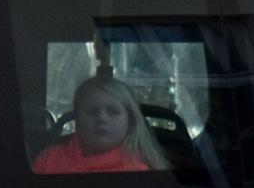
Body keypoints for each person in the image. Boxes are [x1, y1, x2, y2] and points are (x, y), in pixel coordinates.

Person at [32, 73, 167, 175]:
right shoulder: (49, 159)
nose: (102, 119)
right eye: (92, 111)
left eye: (113, 112)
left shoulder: (139, 171)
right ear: (77, 118)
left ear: (130, 121)